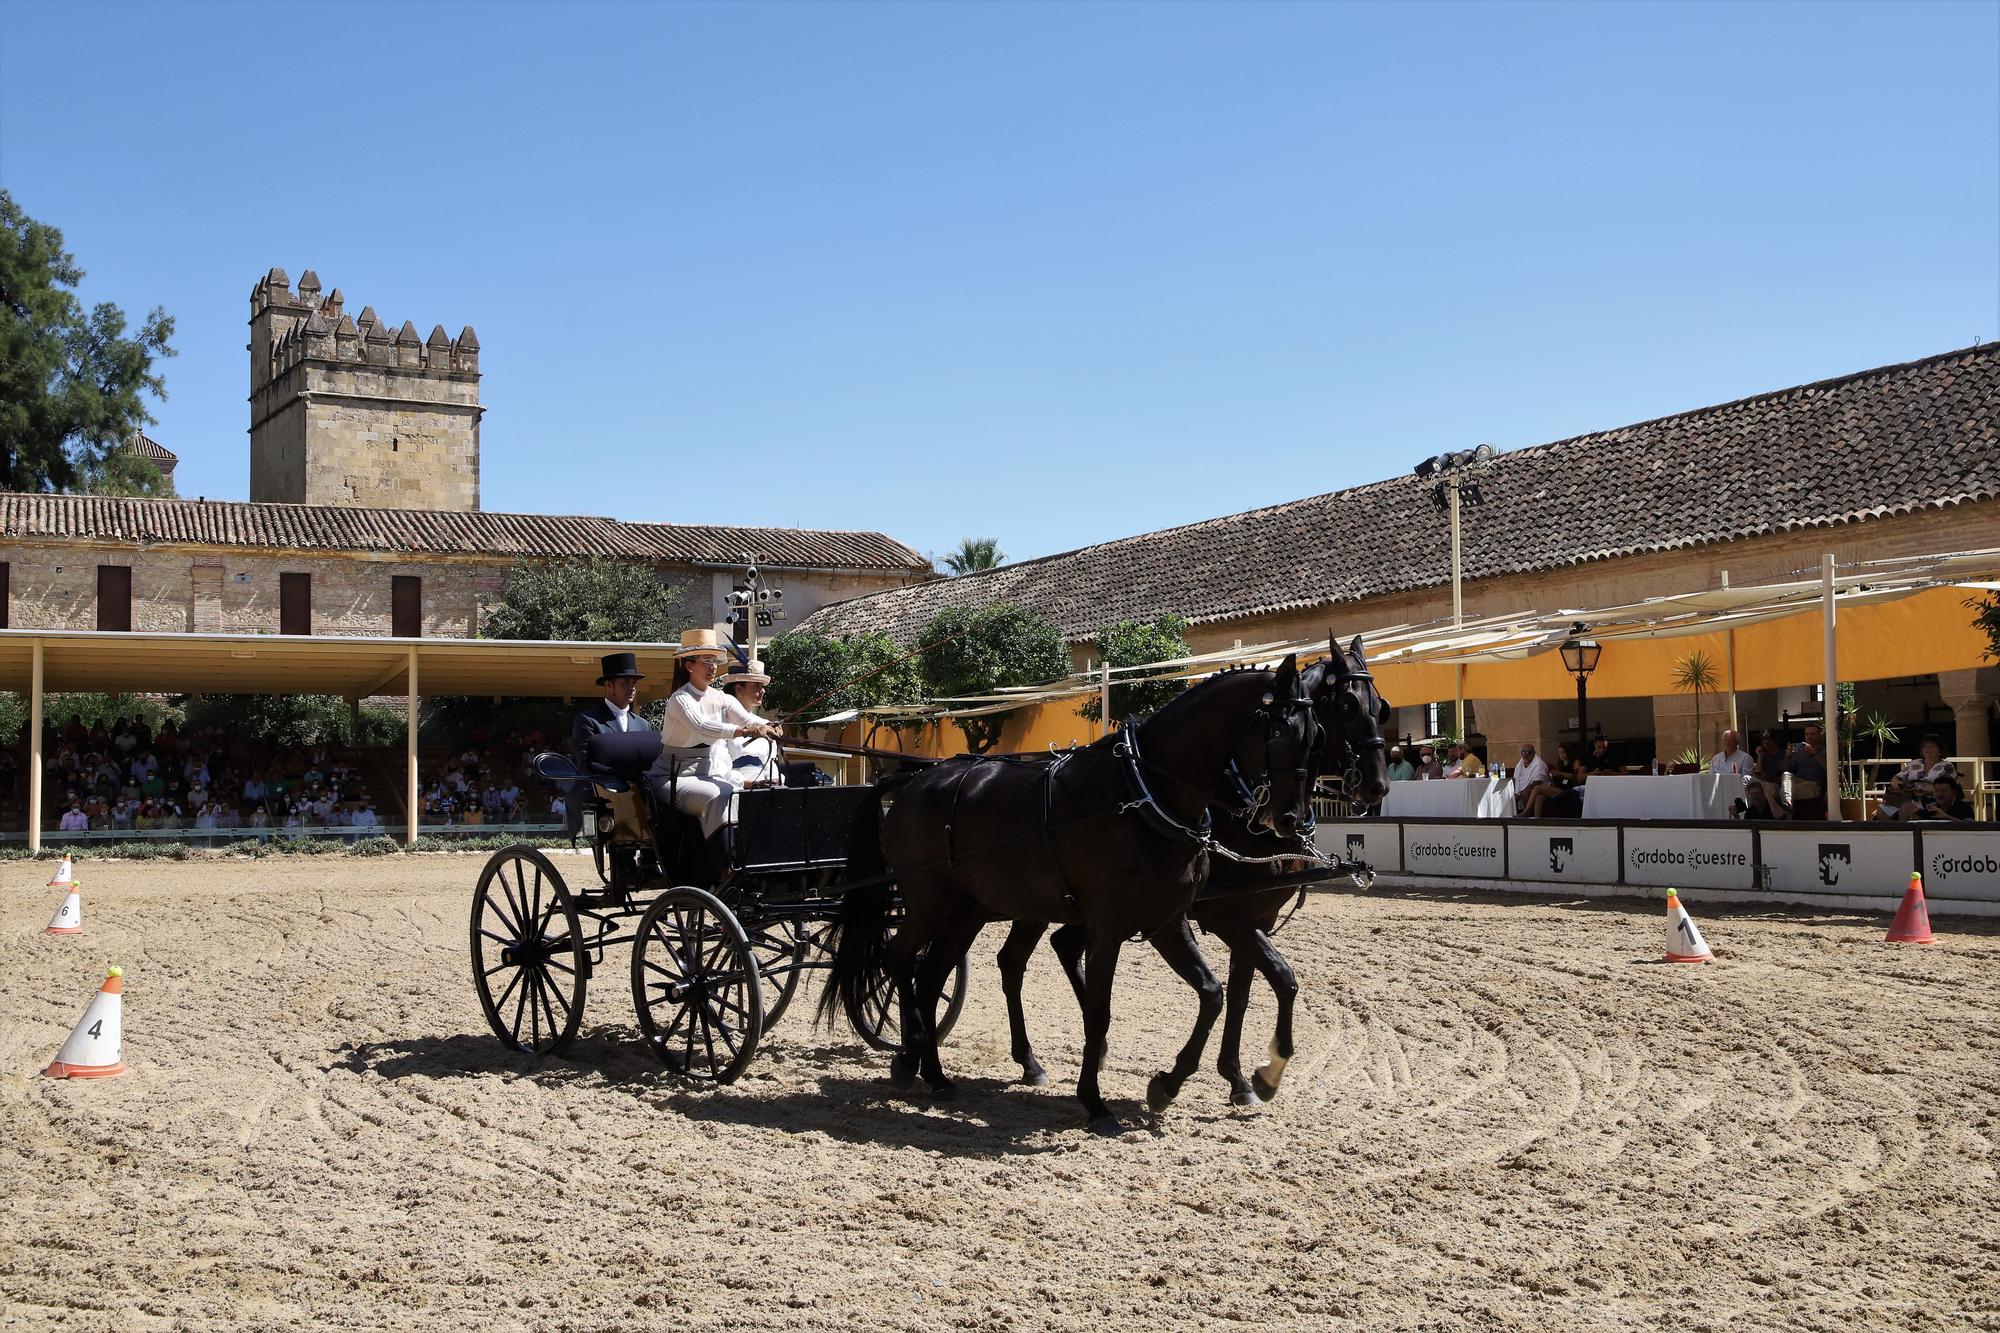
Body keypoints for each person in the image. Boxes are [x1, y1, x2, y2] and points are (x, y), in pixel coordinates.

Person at [647, 630, 781, 846]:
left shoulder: (721, 697)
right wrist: (744, 731)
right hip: (672, 777)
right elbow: (703, 727)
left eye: (715, 660)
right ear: (689, 665)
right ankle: (724, 862)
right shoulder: (680, 699)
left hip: (707, 773)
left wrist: (767, 726)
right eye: (706, 661)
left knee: (744, 792)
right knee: (721, 793)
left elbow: (746, 718)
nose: (713, 667)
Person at [568, 652, 657, 836]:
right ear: (609, 686)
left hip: (639, 797)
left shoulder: (643, 724)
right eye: (625, 682)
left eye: (634, 683)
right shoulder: (588, 720)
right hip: (604, 797)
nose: (632, 688)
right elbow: (586, 765)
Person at [718, 658, 783, 789]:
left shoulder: (765, 725)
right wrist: (749, 784)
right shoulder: (722, 725)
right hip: (733, 789)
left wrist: (775, 780)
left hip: (764, 790)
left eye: (762, 686)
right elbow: (719, 767)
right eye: (756, 686)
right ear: (739, 689)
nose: (763, 691)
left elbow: (770, 763)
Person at [1786, 724, 1829, 820]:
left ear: (1819, 735)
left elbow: (1829, 769)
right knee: (1786, 776)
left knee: (1787, 790)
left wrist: (1815, 753)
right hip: (1798, 781)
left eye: (1812, 734)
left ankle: (1787, 807)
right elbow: (1786, 769)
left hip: (1813, 784)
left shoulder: (1825, 751)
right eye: (1807, 734)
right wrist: (1788, 756)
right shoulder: (1799, 752)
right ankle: (1787, 800)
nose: (1809, 736)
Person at [1511, 744, 1549, 812]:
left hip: (1534, 790)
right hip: (1519, 790)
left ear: (1533, 753)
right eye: (1523, 753)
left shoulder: (1539, 764)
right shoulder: (1520, 764)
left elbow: (1537, 782)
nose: (1525, 755)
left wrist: (1521, 793)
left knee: (1526, 792)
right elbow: (1515, 779)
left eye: (1528, 753)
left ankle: (1527, 815)